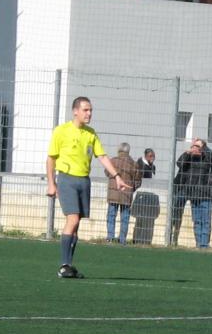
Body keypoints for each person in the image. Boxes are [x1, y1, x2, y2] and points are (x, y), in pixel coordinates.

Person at [46, 96, 130, 279]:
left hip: (84, 181)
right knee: (73, 219)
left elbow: (102, 157)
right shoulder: (61, 131)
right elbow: (51, 158)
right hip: (67, 179)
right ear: (75, 111)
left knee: (76, 226)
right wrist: (51, 183)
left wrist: (116, 176)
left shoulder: (91, 133)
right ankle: (64, 265)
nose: (89, 113)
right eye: (86, 110)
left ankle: (69, 264)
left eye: (90, 110)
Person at [171, 138, 212, 248]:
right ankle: (198, 244)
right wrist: (188, 152)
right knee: (197, 221)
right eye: (194, 146)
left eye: (198, 146)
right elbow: (179, 163)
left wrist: (202, 147)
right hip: (193, 195)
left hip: (206, 194)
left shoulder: (208, 158)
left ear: (203, 148)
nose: (195, 148)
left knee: (205, 221)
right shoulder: (189, 158)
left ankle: (204, 244)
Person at [105, 142, 143, 245]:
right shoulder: (133, 164)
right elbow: (138, 180)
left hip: (113, 193)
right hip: (127, 194)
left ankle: (110, 237)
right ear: (128, 151)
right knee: (125, 218)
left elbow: (107, 172)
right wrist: (132, 188)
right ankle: (122, 240)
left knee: (111, 215)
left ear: (119, 150)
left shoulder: (112, 161)